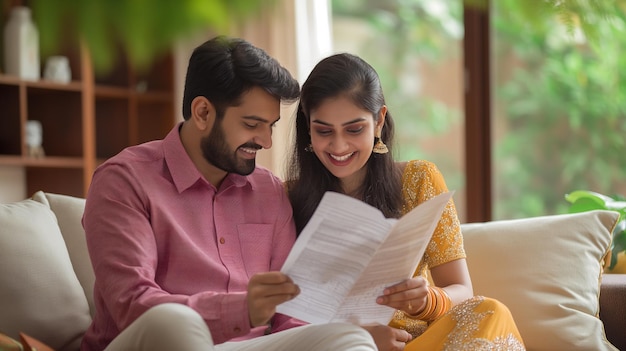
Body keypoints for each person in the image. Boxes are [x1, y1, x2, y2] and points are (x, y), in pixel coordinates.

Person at [80, 36, 378, 351]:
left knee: (346, 338)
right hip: (155, 341)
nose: (266, 142)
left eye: (271, 127)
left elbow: (292, 312)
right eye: (252, 124)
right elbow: (133, 306)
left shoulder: (269, 191)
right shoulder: (124, 180)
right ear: (203, 113)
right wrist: (243, 310)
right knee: (173, 321)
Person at [286, 52, 527, 350]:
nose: (338, 146)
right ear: (307, 128)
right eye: (324, 131)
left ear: (379, 121)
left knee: (490, 311)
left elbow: (463, 290)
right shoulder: (286, 198)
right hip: (338, 345)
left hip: (419, 342)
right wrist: (355, 338)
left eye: (354, 129)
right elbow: (284, 317)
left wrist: (427, 300)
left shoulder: (418, 180)